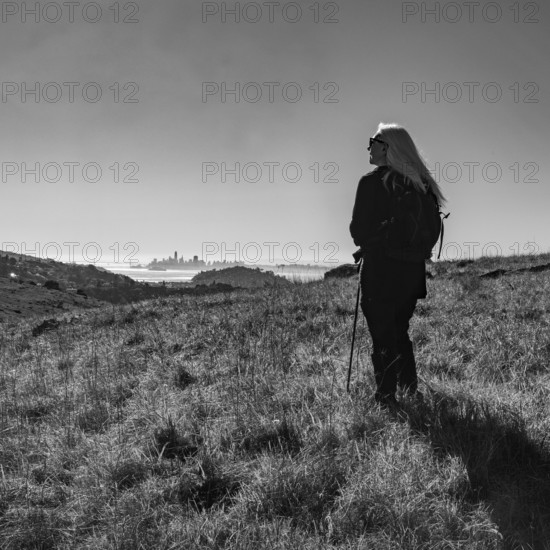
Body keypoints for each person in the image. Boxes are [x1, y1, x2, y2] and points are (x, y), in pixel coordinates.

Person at [349, 122, 446, 406]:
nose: (369, 146)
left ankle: (387, 398)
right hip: (412, 272)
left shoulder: (370, 183)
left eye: (374, 141)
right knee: (399, 331)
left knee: (382, 336)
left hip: (380, 271)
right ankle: (409, 389)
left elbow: (358, 232)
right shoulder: (421, 185)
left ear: (388, 147)